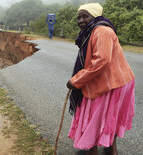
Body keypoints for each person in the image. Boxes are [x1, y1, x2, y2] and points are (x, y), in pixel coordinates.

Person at [66, 3, 135, 155]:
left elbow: (101, 61)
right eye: (78, 17)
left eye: (85, 16)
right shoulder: (91, 31)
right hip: (110, 81)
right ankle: (110, 150)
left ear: (95, 16)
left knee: (95, 121)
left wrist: (76, 81)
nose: (81, 20)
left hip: (114, 84)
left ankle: (102, 151)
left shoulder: (101, 31)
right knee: (106, 119)